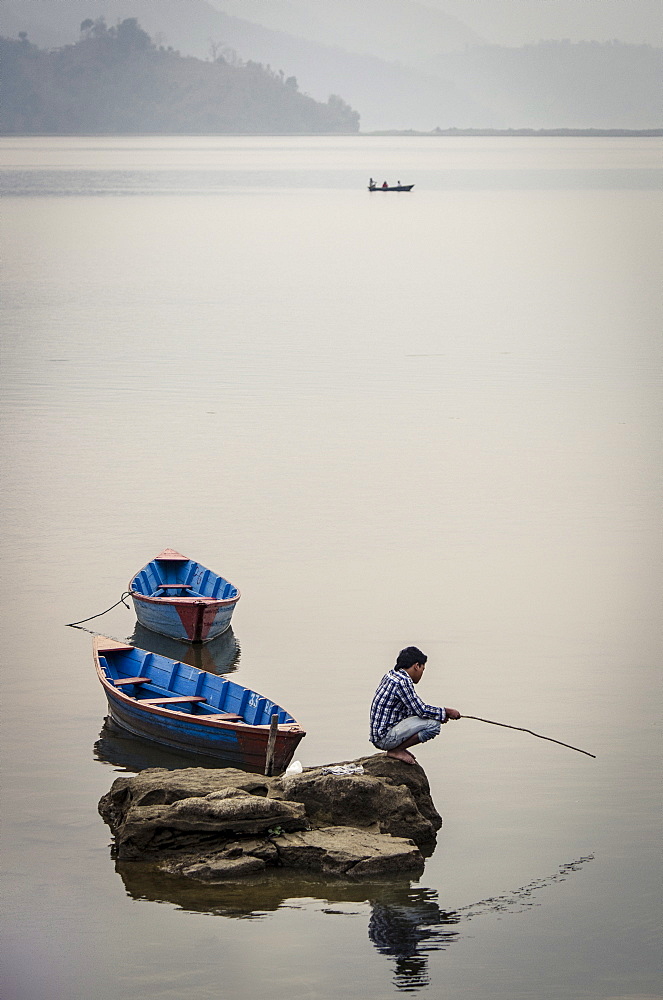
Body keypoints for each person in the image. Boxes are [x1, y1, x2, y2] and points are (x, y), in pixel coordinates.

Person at [370, 646, 460, 764]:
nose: (422, 672)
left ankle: (398, 748)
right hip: (384, 738)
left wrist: (437, 714)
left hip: (379, 734)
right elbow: (421, 710)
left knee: (430, 718)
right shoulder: (403, 682)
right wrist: (445, 712)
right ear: (416, 666)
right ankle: (397, 750)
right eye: (423, 668)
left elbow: (412, 708)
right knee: (433, 725)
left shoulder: (392, 675)